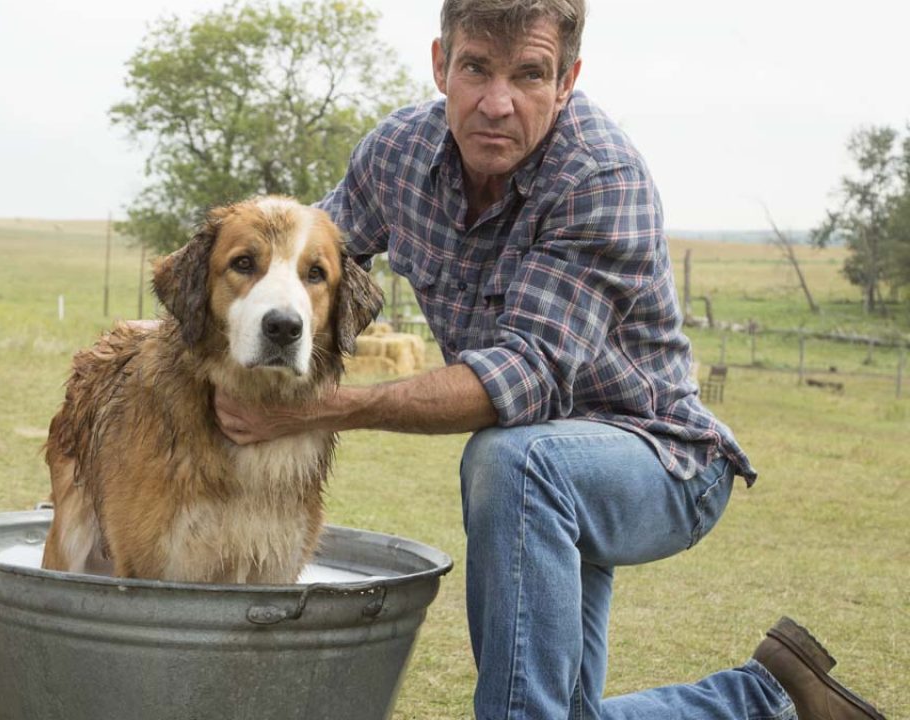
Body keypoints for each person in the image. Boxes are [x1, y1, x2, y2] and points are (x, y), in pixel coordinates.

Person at [212, 1, 887, 718]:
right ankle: (773, 698)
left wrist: (320, 408)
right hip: (546, 475)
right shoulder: (398, 155)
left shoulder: (601, 178)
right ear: (441, 64)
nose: (496, 103)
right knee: (565, 708)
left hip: (658, 459)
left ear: (567, 81)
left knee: (512, 459)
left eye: (529, 75)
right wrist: (186, 328)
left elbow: (523, 377)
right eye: (475, 68)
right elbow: (301, 254)